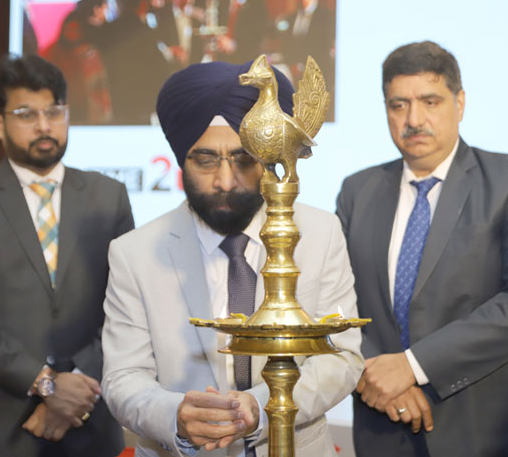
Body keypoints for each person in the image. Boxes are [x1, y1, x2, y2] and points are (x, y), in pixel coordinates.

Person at [101, 60, 364, 456]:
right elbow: (123, 378)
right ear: (180, 160)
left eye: (243, 160)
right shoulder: (134, 252)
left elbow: (342, 357)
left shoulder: (320, 233)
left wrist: (261, 407)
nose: (225, 181)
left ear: (267, 157)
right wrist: (176, 416)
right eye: (205, 160)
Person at [336, 40, 508, 456]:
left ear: (460, 103)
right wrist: (371, 373)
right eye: (398, 105)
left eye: (430, 101)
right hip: (385, 429)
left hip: (491, 433)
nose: (413, 119)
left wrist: (412, 366)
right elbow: (335, 304)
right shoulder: (357, 191)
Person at [0, 54, 133, 456]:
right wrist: (45, 383)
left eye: (54, 112)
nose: (44, 126)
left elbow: (127, 304)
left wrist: (76, 384)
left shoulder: (108, 196)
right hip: (2, 421)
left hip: (89, 414)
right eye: (26, 114)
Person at [216, 0, 270, 64]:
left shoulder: (258, 5)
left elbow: (258, 36)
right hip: (222, 58)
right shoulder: (221, 2)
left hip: (246, 59)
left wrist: (234, 45)